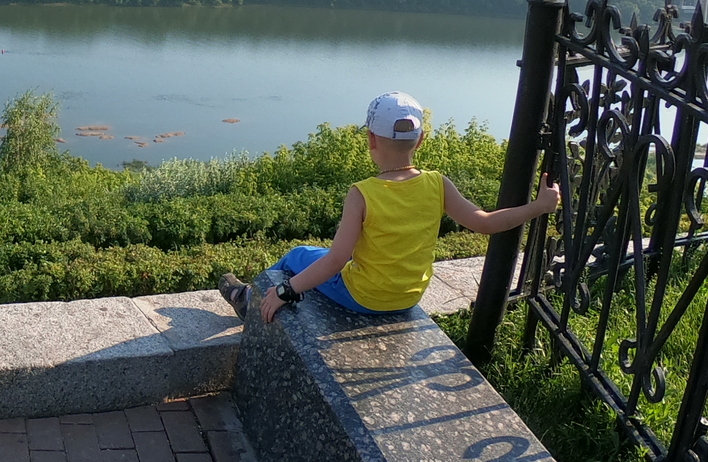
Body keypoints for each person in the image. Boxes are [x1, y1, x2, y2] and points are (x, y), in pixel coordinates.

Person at [218, 92, 561, 324]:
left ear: (370, 139)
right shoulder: (437, 183)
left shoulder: (363, 193)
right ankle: (250, 294)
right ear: (421, 141)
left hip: (363, 297)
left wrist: (286, 291)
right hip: (408, 297)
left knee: (298, 254)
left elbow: (337, 259)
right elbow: (484, 223)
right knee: (321, 257)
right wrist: (539, 205)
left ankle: (249, 298)